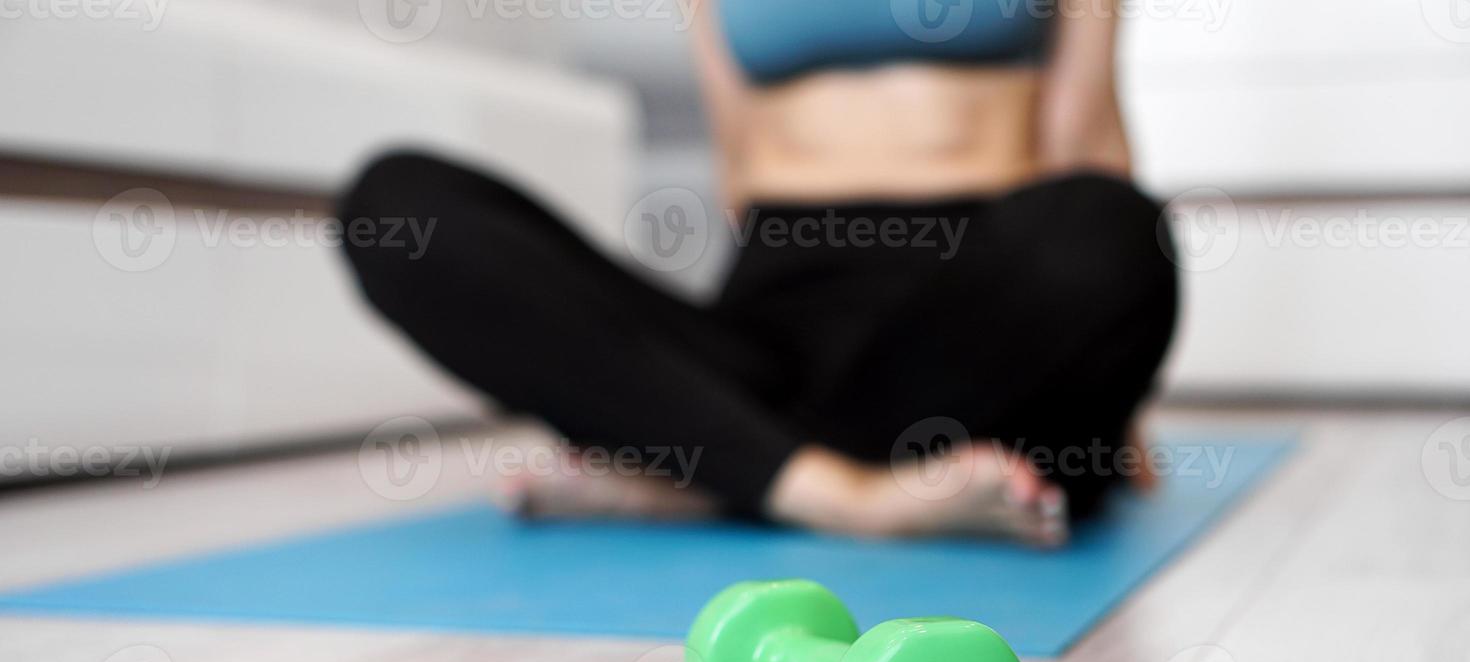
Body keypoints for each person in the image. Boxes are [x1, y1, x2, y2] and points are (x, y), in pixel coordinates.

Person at [338, 0, 1177, 544]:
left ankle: (712, 469)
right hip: (775, 315)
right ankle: (838, 493)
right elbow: (739, 167)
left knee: (1111, 229)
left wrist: (1117, 393)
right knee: (398, 207)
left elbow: (1087, 143)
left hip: (976, 324)